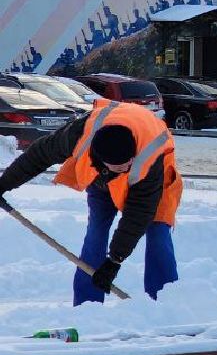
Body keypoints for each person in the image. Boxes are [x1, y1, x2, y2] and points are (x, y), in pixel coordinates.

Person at [0, 99, 181, 303]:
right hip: (100, 180)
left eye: (128, 163)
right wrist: (3, 184)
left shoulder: (148, 157)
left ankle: (166, 301)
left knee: (158, 233)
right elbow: (38, 156)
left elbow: (137, 215)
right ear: (102, 160)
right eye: (120, 167)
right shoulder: (78, 136)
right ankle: (87, 304)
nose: (126, 167)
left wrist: (114, 261)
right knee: (96, 230)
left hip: (157, 180)